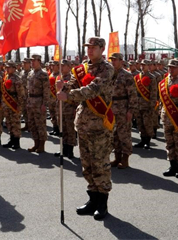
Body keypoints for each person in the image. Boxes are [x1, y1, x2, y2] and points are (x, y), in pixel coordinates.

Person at [57, 37, 115, 220]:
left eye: (93, 47)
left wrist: (69, 95)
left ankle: (102, 203)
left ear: (102, 48)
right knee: (87, 164)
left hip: (99, 124)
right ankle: (92, 199)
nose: (90, 50)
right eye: (88, 47)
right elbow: (73, 84)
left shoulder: (107, 69)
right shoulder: (82, 68)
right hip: (82, 123)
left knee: (100, 164)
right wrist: (63, 87)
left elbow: (93, 90)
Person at [109, 53, 138, 169]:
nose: (113, 62)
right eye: (112, 60)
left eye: (115, 60)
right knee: (114, 134)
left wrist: (131, 110)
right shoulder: (109, 74)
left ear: (121, 61)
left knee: (124, 134)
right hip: (111, 108)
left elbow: (132, 94)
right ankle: (117, 157)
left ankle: (125, 159)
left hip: (122, 108)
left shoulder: (127, 75)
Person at [26, 54, 51, 153]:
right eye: (31, 61)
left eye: (34, 60)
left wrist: (45, 104)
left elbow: (46, 90)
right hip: (31, 101)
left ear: (39, 61)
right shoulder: (31, 73)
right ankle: (36, 143)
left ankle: (42, 145)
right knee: (32, 124)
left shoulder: (43, 74)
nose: (32, 62)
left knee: (40, 124)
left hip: (39, 101)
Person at [53, 59, 78, 159]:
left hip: (70, 107)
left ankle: (70, 150)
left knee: (70, 130)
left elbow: (75, 93)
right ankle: (63, 149)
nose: (61, 67)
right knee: (62, 129)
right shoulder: (59, 78)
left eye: (63, 66)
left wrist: (76, 108)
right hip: (61, 107)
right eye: (60, 66)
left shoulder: (73, 78)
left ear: (69, 67)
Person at [133, 59, 158, 149]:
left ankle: (147, 141)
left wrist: (152, 105)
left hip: (147, 104)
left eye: (145, 65)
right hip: (138, 104)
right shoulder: (137, 77)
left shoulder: (152, 77)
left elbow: (153, 93)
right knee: (140, 124)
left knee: (147, 123)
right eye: (142, 65)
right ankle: (142, 140)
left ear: (149, 66)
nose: (143, 66)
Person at [2, 60, 26, 150]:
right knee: (9, 122)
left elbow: (21, 94)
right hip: (7, 104)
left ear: (14, 68)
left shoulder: (17, 79)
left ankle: (16, 141)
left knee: (15, 123)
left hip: (14, 103)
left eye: (9, 67)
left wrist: (19, 106)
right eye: (6, 67)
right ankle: (11, 139)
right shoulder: (6, 77)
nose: (7, 69)